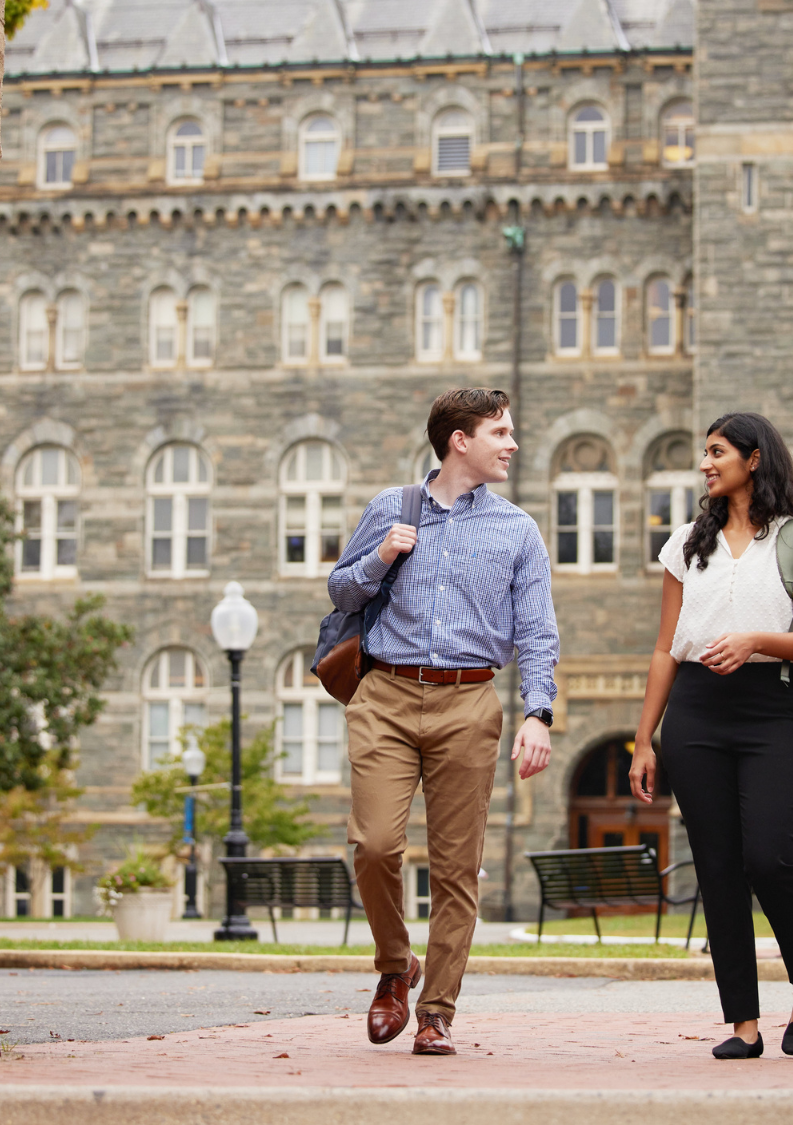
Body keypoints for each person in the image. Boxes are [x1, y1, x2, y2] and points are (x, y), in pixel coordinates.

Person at [327, 387, 559, 1057]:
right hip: (387, 697)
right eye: (500, 432)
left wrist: (536, 712)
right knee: (373, 844)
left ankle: (436, 1011)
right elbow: (341, 588)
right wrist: (380, 558)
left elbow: (537, 631)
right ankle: (395, 966)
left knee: (458, 867)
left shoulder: (516, 529)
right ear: (461, 440)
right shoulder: (389, 509)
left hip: (469, 701)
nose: (511, 443)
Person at [628, 412, 793, 1060]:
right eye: (705, 452)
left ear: (754, 458)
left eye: (717, 451)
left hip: (773, 706)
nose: (705, 463)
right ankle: (743, 1020)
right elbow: (666, 648)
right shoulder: (686, 543)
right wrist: (645, 739)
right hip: (696, 710)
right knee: (718, 868)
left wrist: (756, 639)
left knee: (771, 859)